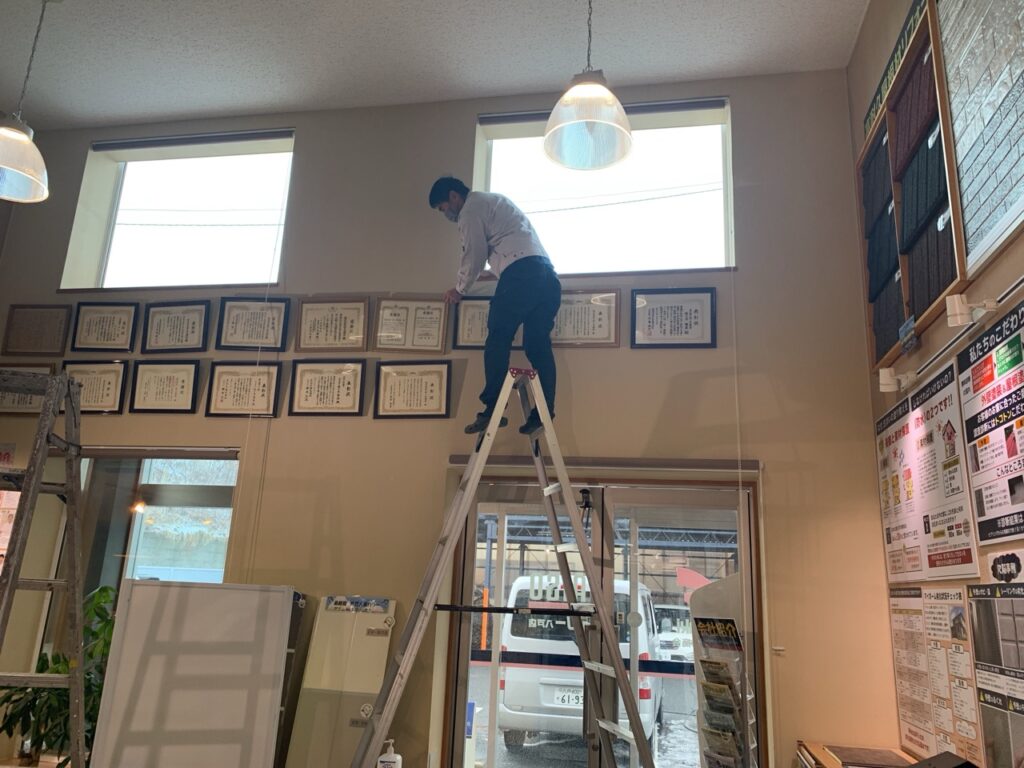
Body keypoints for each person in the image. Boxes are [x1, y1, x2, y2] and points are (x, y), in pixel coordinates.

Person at [429, 176, 561, 435]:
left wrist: (459, 289)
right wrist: (494, 272)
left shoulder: (470, 209)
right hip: (547, 277)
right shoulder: (495, 201)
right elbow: (511, 247)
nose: (447, 214)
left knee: (498, 339)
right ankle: (544, 414)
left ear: (454, 196)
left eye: (444, 208)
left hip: (521, 275)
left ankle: (492, 410)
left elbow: (474, 253)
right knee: (538, 346)